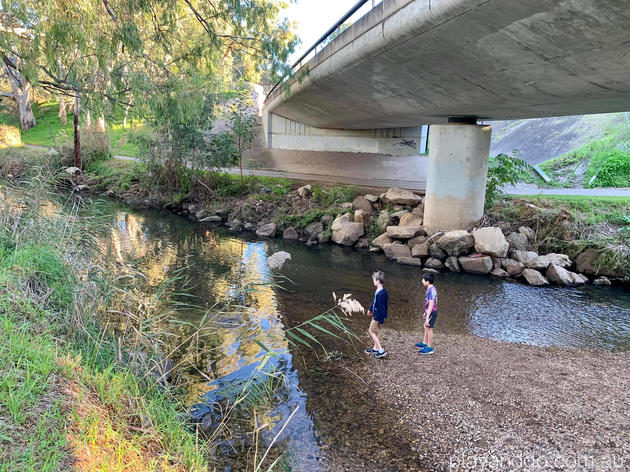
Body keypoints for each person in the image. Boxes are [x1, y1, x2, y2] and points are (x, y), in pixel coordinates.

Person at [365, 270, 388, 359]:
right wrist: (370, 309)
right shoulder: (379, 290)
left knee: (371, 331)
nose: (373, 282)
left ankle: (381, 350)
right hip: (377, 314)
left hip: (378, 316)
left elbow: (382, 307)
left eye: (374, 280)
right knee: (376, 331)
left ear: (378, 281)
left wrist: (379, 317)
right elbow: (375, 302)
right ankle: (375, 348)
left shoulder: (382, 294)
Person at [417, 273, 437, 354]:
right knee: (425, 327)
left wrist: (428, 317)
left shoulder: (431, 291)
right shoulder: (430, 288)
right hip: (429, 311)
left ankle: (429, 348)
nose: (422, 281)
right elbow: (428, 303)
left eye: (423, 279)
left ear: (427, 281)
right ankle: (424, 343)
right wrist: (425, 313)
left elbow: (431, 305)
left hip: (432, 312)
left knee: (429, 328)